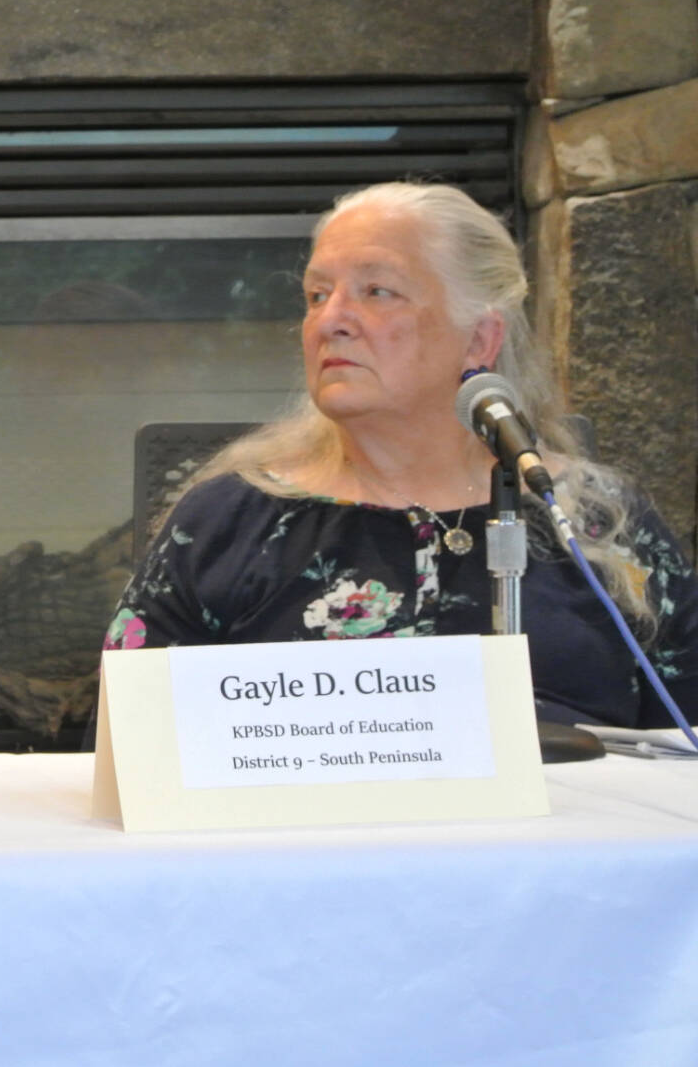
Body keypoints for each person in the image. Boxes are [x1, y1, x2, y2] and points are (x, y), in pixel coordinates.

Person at [104, 181, 698, 730]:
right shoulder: (229, 521)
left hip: (574, 839)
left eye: (377, 291)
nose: (329, 321)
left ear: (478, 339)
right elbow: (127, 748)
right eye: (317, 294)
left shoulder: (597, 520)